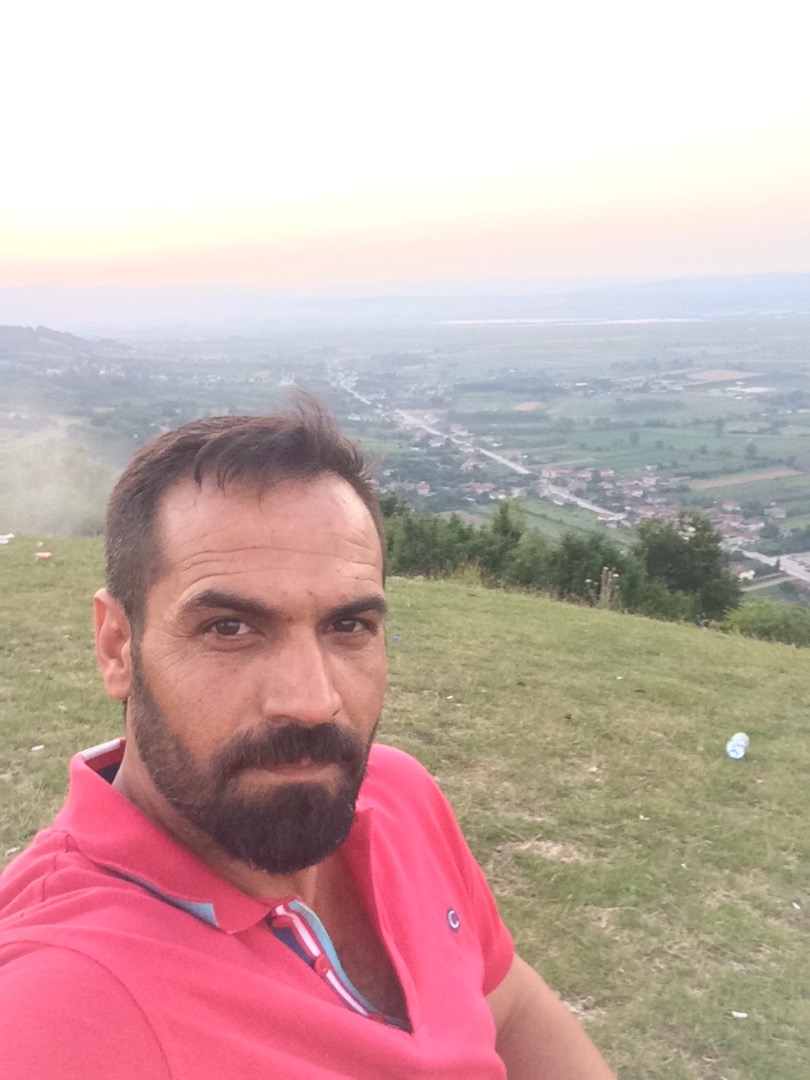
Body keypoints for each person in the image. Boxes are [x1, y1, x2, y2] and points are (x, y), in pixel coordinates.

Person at [0, 401, 617, 1079]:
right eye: (229, 628)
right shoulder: (60, 1004)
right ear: (118, 646)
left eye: (348, 627)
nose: (313, 701)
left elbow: (510, 1009)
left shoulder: (400, 792)